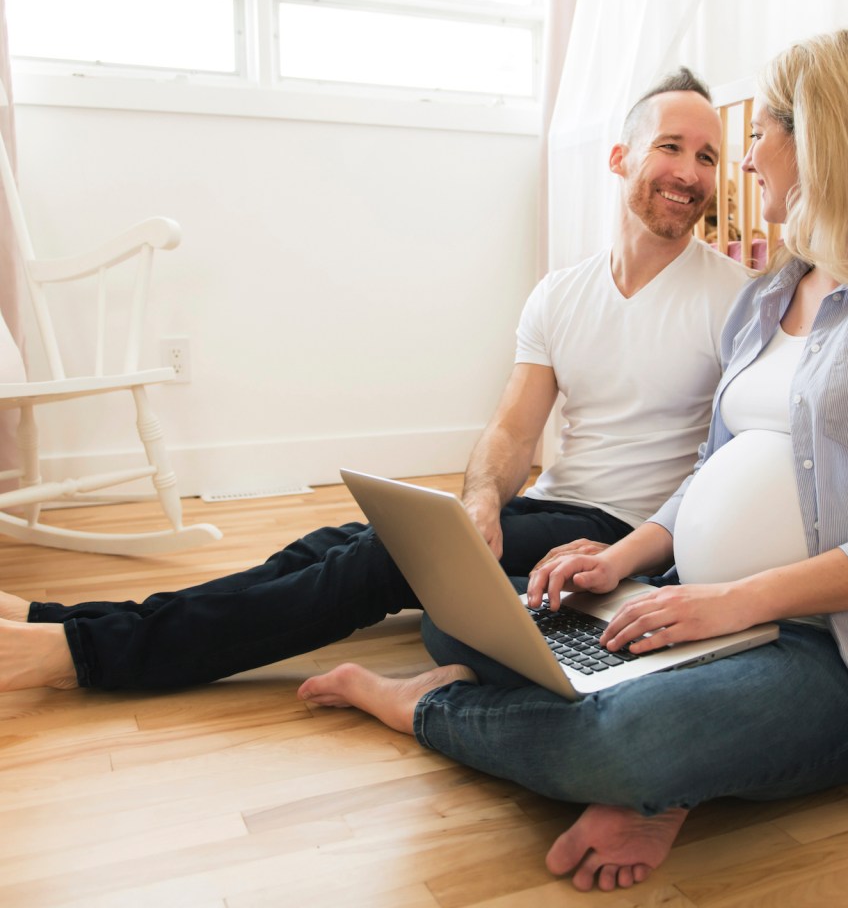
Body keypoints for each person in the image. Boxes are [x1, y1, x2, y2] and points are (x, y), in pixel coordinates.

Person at [297, 26, 848, 893]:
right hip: (691, 606)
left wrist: (733, 602)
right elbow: (714, 472)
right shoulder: (769, 290)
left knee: (621, 741)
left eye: (760, 135)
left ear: (820, 134)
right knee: (459, 617)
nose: (747, 161)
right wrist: (623, 557)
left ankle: (430, 707)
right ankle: (662, 766)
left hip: (832, 647)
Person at [0, 68, 749, 692]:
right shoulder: (561, 293)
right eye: (671, 148)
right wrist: (483, 499)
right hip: (552, 504)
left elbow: (732, 467)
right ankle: (62, 622)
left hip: (617, 532)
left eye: (709, 157)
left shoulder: (736, 300)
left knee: (376, 561)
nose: (689, 173)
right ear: (621, 158)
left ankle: (82, 655)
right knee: (327, 543)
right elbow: (513, 430)